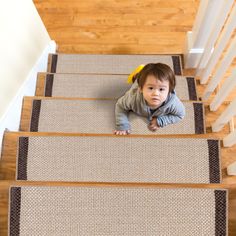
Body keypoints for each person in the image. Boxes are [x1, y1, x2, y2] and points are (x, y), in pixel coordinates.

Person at [114, 63, 185, 135]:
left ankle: (143, 73)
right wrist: (122, 125)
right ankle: (139, 73)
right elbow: (120, 106)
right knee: (137, 78)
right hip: (138, 83)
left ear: (169, 90)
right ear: (141, 89)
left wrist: (161, 121)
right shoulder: (133, 98)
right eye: (151, 88)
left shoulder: (173, 103)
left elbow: (180, 115)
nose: (156, 93)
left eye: (161, 89)